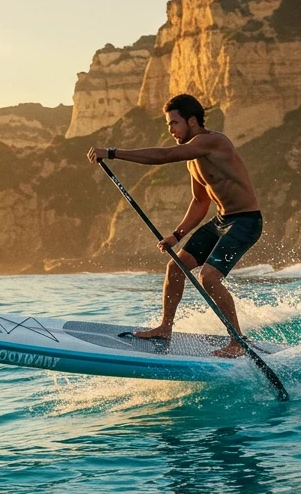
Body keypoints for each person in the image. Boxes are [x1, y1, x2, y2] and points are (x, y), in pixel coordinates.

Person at [86, 93, 262, 358]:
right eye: (168, 125)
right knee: (175, 266)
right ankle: (165, 327)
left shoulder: (212, 141)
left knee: (209, 277)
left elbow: (164, 155)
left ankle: (237, 341)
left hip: (246, 221)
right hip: (221, 220)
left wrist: (112, 153)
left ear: (192, 121)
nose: (170, 130)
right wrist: (177, 235)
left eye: (174, 123)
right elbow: (200, 202)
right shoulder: (194, 160)